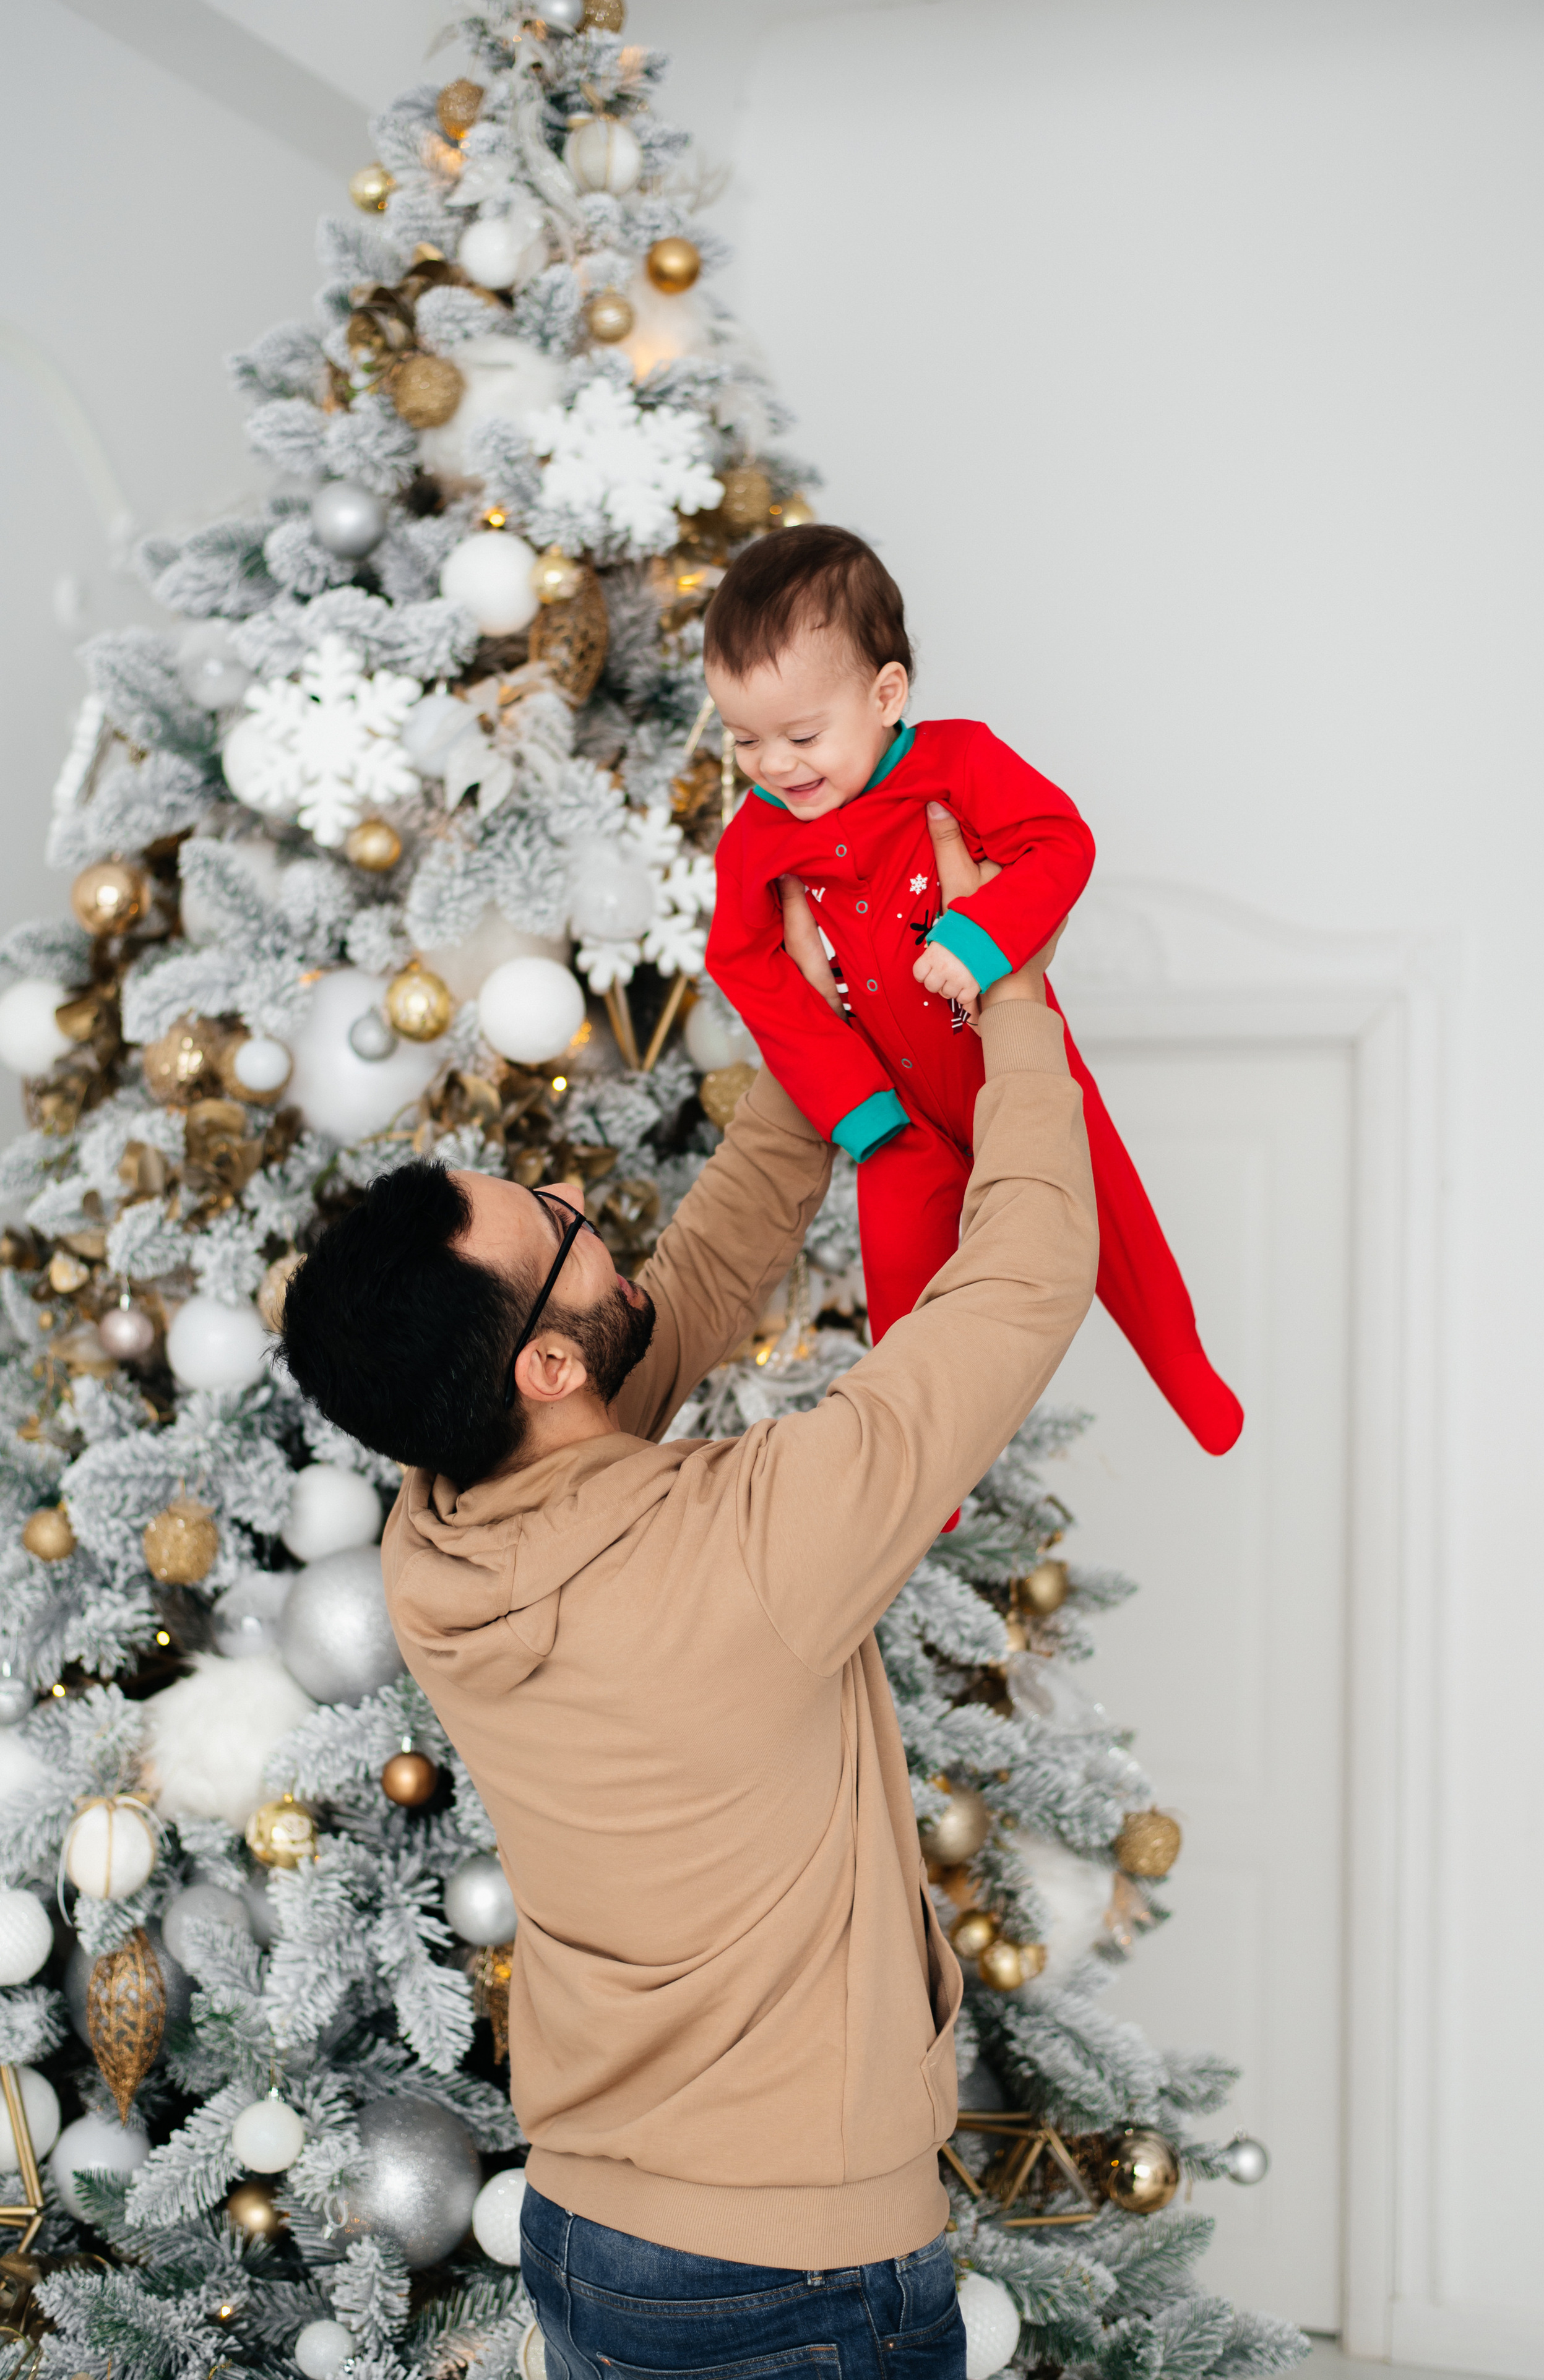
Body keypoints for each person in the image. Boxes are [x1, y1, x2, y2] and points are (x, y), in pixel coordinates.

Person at [277, 891, 1098, 2380]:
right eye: (567, 1231)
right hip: (792, 2276)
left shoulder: (438, 1530)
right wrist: (1010, 985)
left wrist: (822, 1017)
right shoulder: (743, 1544)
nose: (598, 1221)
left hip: (592, 2228)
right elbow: (1029, 1273)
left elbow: (694, 1284)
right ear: (540, 1361)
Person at [704, 523, 1242, 1457]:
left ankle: (1186, 1371)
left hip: (1007, 1063)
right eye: (744, 739)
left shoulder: (958, 763)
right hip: (894, 1109)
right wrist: (850, 1098)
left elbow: (1061, 842)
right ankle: (927, 1476)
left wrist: (981, 939)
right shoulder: (757, 837)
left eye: (801, 735)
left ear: (886, 694)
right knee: (903, 1296)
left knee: (1106, 1211)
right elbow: (743, 962)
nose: (774, 766)